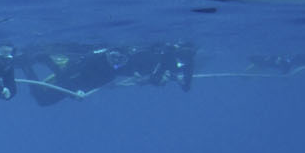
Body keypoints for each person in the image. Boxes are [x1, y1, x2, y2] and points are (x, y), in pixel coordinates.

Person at [18, 42, 195, 106]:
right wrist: (74, 92)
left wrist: (150, 79)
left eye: (121, 59)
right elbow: (65, 75)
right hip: (72, 79)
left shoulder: (119, 67)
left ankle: (34, 64)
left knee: (43, 100)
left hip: (81, 85)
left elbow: (137, 72)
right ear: (107, 53)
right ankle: (30, 66)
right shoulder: (93, 60)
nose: (116, 62)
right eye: (114, 57)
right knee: (43, 100)